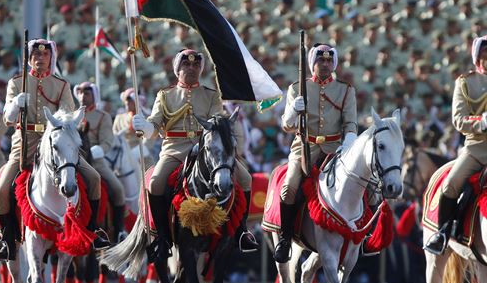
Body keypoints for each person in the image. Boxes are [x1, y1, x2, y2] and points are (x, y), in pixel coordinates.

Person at [131, 49, 256, 261]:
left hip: (206, 151)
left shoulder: (211, 95)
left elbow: (218, 122)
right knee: (155, 183)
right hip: (174, 149)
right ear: (177, 70)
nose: (191, 68)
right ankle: (162, 237)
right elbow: (155, 123)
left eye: (196, 65)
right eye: (186, 65)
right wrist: (146, 127)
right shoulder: (165, 95)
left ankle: (241, 232)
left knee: (245, 178)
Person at [0, 39, 107, 261]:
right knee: (2, 189)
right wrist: (16, 105)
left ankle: (94, 230)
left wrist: (61, 122)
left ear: (51, 58)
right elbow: (7, 118)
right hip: (24, 144)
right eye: (35, 55)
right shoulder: (16, 83)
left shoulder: (61, 85)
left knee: (94, 178)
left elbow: (68, 114)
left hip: (56, 143)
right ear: (29, 58)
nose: (40, 58)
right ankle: (6, 240)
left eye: (44, 55)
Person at [274, 44, 357, 263]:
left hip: (335, 150)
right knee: (289, 189)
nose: (326, 65)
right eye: (321, 61)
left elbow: (350, 124)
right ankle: (285, 237)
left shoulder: (345, 90)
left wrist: (348, 143)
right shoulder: (297, 88)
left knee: (361, 185)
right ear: (313, 64)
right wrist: (293, 110)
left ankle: (361, 236)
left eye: (330, 61)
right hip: (304, 148)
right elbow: (286, 125)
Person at [424, 35, 487, 254]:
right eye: (484, 54)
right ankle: (442, 233)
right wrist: (482, 122)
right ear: (477, 56)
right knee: (450, 184)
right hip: (477, 149)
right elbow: (459, 120)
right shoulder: (466, 82)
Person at [74, 81, 125, 242]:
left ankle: (119, 231)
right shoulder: (71, 116)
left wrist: (99, 150)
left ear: (94, 96)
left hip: (96, 162)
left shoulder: (102, 117)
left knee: (118, 190)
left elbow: (107, 140)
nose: (83, 96)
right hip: (73, 161)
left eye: (87, 93)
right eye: (80, 93)